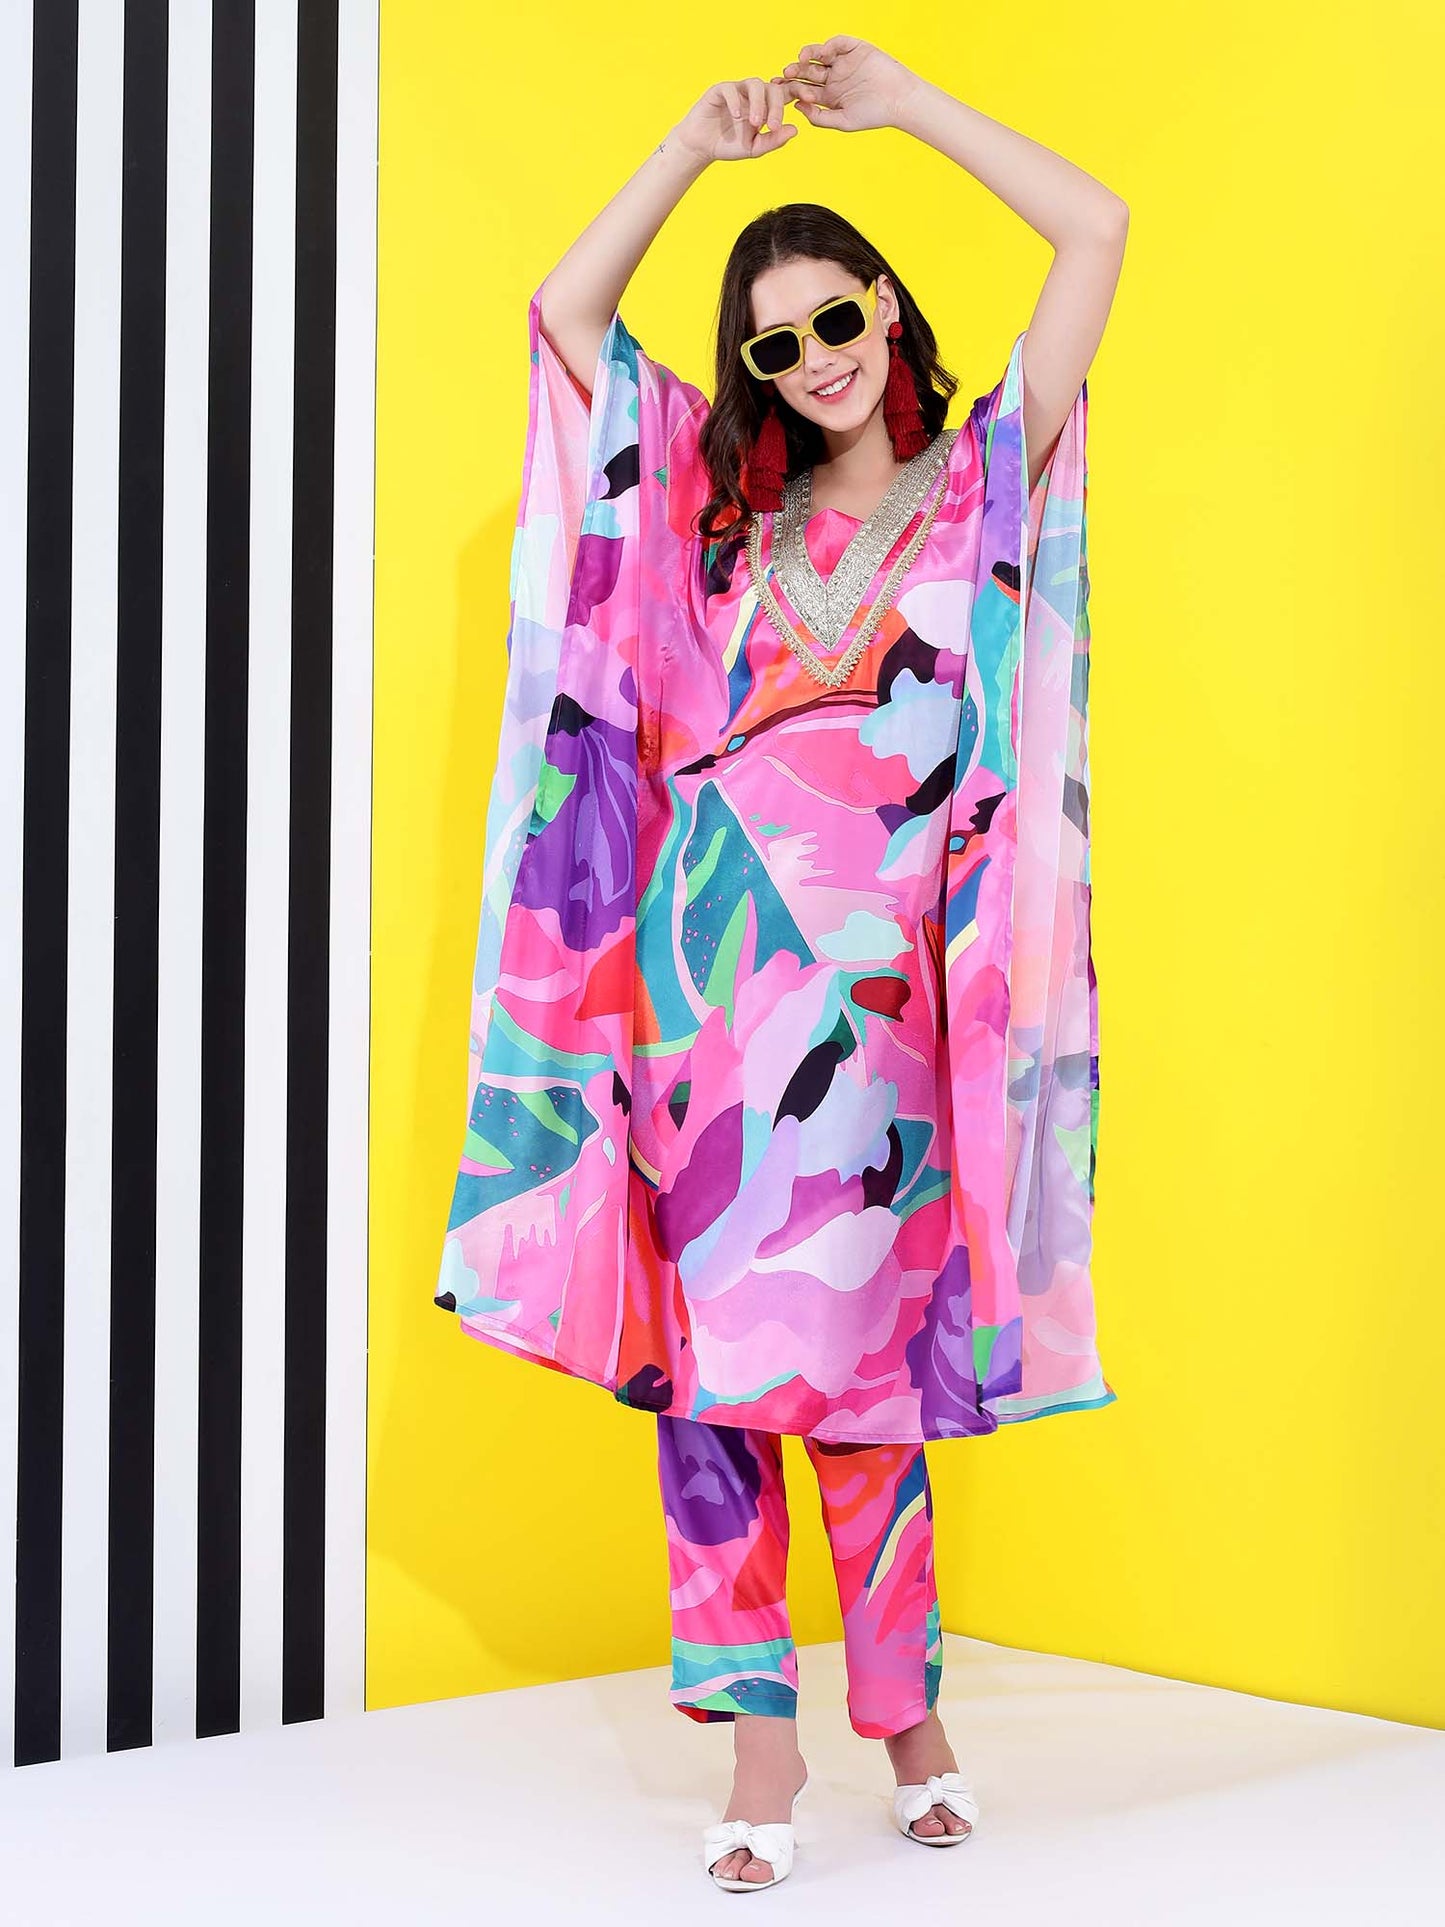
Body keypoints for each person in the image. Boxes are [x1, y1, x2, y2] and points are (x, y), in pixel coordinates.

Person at [433, 35, 1128, 1892]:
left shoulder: (984, 481)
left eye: (835, 317)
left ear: (886, 313)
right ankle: (760, 1757)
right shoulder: (709, 516)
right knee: (717, 1400)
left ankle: (908, 1726)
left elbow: (1095, 229)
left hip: (895, 1017)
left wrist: (907, 108)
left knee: (874, 1391)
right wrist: (684, 145)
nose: (812, 357)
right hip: (707, 1008)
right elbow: (566, 320)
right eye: (774, 343)